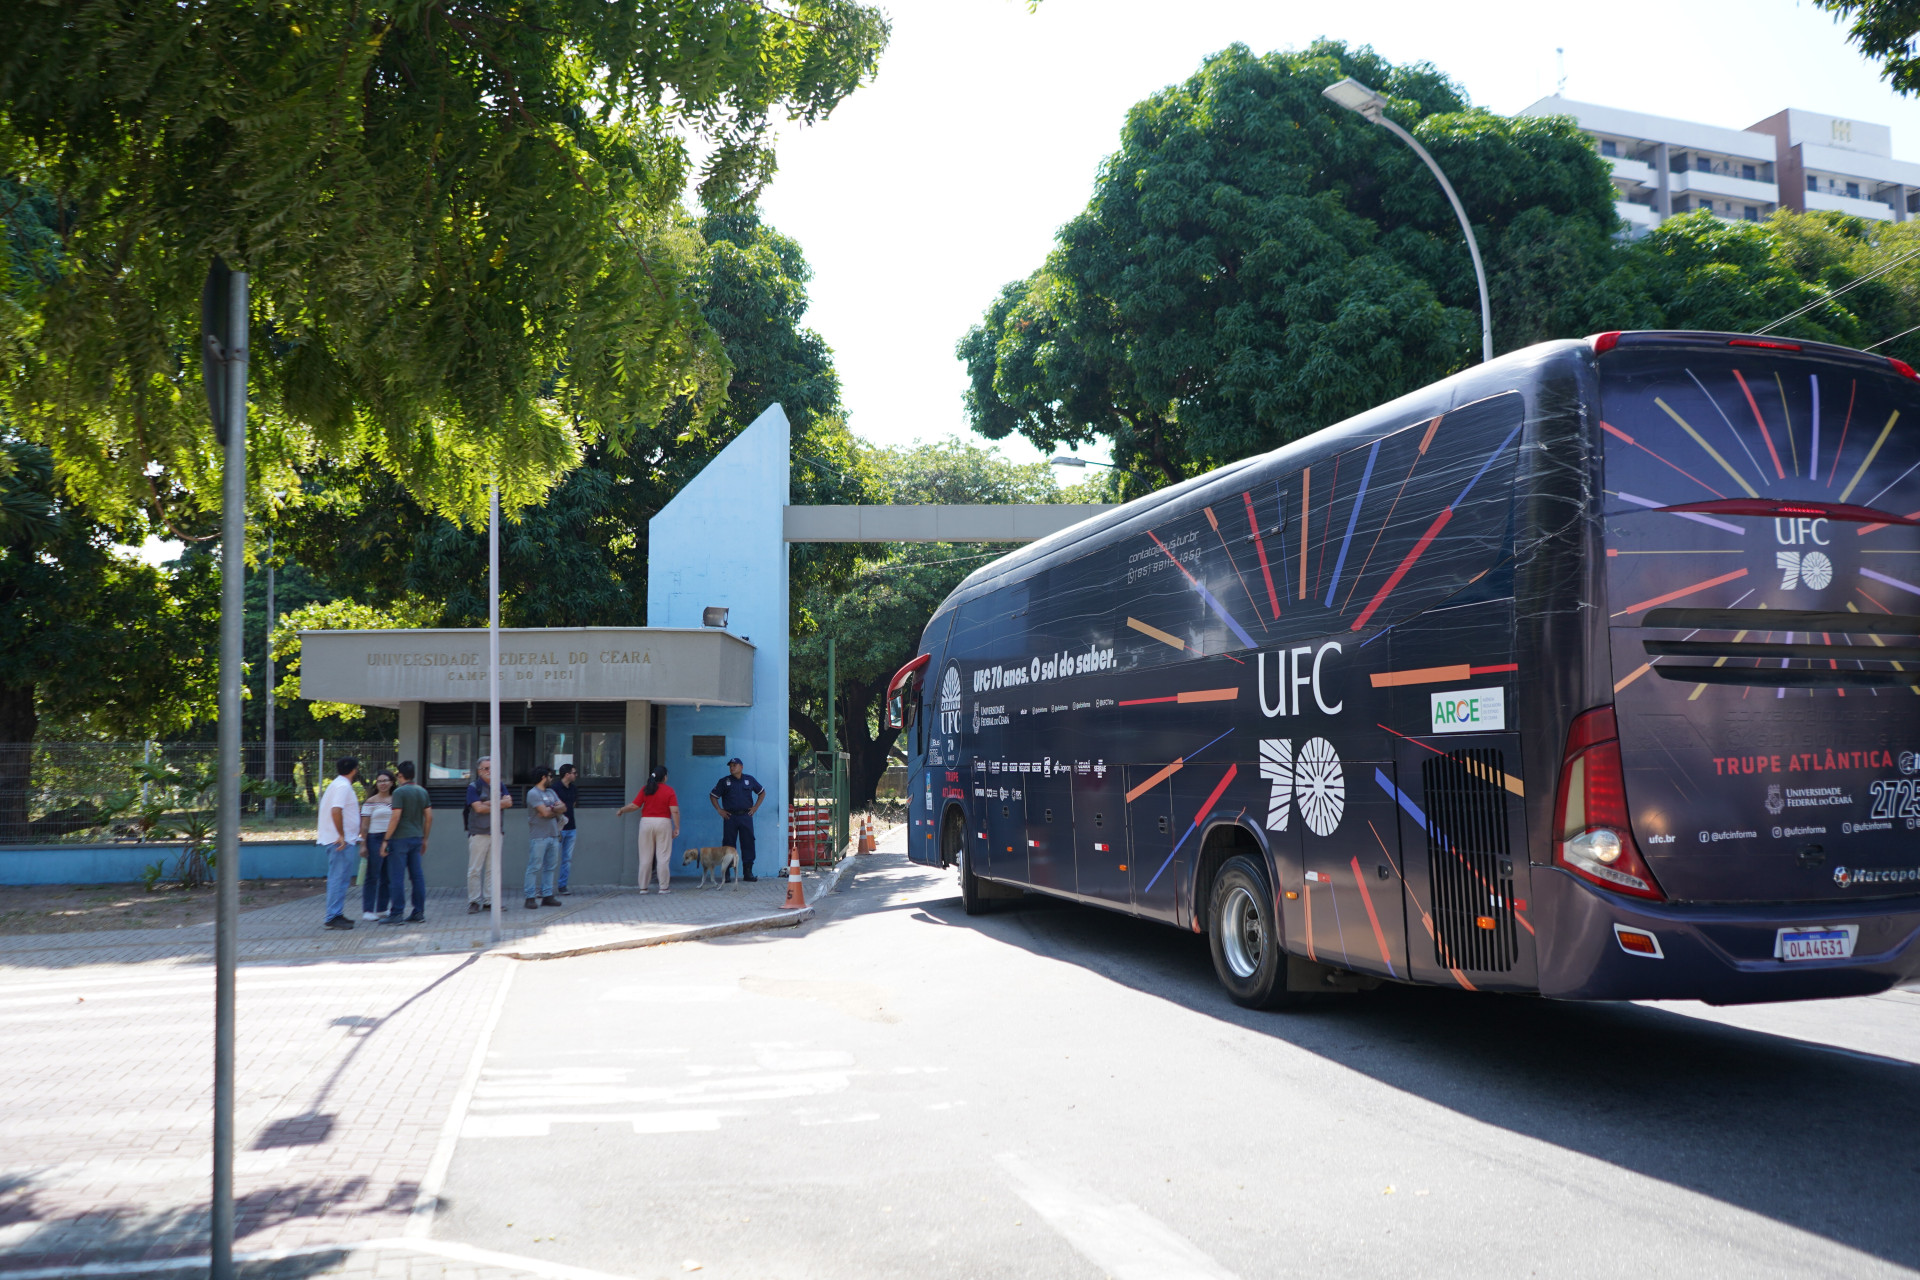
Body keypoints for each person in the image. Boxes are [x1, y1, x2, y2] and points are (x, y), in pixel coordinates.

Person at [382, 761, 432, 924]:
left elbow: (395, 816)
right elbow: (429, 817)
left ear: (400, 775)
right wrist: (425, 838)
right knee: (417, 876)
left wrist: (386, 839)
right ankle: (419, 912)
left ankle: (397, 913)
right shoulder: (422, 791)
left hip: (399, 839)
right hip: (417, 838)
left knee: (397, 877)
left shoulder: (399, 792)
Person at [617, 765, 678, 893]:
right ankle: (663, 887)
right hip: (663, 823)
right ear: (664, 777)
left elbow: (634, 806)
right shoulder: (669, 791)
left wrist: (622, 810)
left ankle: (643, 887)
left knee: (645, 856)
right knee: (663, 856)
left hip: (646, 823)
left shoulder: (646, 789)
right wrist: (676, 827)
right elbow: (675, 811)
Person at [318, 757, 362, 931]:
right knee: (339, 878)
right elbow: (336, 810)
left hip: (339, 839)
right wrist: (342, 835)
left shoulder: (337, 784)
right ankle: (333, 916)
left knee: (341, 879)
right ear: (354, 770)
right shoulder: (343, 786)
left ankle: (336, 913)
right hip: (340, 842)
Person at [464, 756, 513, 914]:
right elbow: (478, 809)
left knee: (493, 869)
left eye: (492, 768)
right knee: (475, 869)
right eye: (486, 768)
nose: (489, 771)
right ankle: (474, 901)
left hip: (496, 832)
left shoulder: (499, 785)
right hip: (478, 832)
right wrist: (498, 803)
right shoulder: (473, 787)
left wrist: (487, 803)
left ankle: (490, 900)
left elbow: (509, 803)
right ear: (479, 771)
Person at [709, 757, 766, 881]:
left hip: (746, 816)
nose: (732, 768)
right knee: (729, 844)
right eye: (730, 766)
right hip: (730, 817)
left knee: (748, 842)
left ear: (741, 767)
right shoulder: (724, 781)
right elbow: (713, 796)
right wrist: (720, 810)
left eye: (735, 765)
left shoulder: (749, 780)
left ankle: (748, 872)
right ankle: (727, 873)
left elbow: (762, 792)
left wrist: (755, 807)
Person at [523, 766, 565, 909]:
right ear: (543, 777)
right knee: (534, 867)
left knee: (550, 866)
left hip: (553, 834)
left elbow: (563, 808)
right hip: (539, 836)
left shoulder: (551, 791)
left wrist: (550, 809)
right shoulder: (533, 793)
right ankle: (530, 897)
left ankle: (547, 895)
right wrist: (553, 809)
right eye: (550, 776)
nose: (551, 779)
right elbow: (543, 813)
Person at [359, 770, 396, 921]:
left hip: (391, 838)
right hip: (374, 838)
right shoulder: (371, 801)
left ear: (392, 782)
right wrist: (363, 844)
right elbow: (364, 825)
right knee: (373, 873)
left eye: (386, 780)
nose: (383, 784)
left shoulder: (396, 799)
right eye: (380, 781)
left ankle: (382, 908)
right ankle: (368, 910)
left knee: (387, 875)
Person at [553, 763, 580, 895]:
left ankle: (562, 885)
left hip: (571, 827)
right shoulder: (555, 788)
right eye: (574, 773)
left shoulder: (574, 788)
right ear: (567, 774)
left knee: (567, 859)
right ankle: (546, 888)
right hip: (558, 828)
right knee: (552, 858)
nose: (576, 775)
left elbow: (573, 803)